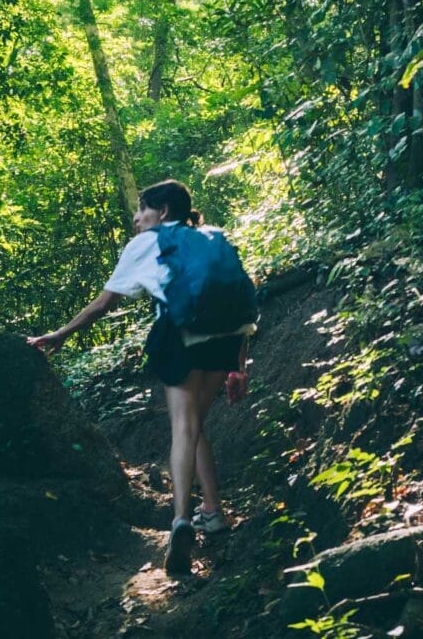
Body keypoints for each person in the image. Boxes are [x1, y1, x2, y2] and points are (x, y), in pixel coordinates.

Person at [27, 179, 256, 576]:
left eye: (141, 209)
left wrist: (60, 335)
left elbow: (103, 304)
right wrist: (241, 365)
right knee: (196, 425)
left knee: (183, 427)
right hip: (227, 341)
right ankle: (213, 513)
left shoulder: (148, 243)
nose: (136, 218)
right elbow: (238, 303)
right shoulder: (212, 238)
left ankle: (181, 519)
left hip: (181, 336)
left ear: (162, 212)